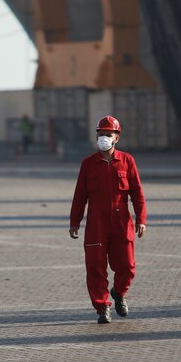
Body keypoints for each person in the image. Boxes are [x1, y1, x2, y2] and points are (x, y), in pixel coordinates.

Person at [69, 116, 147, 323]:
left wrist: (141, 219)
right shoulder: (88, 164)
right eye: (101, 134)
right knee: (95, 266)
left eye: (108, 134)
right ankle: (102, 307)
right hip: (96, 222)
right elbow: (79, 196)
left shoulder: (127, 161)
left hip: (121, 221)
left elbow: (138, 194)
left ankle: (119, 292)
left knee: (127, 266)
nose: (104, 138)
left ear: (116, 138)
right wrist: (74, 222)